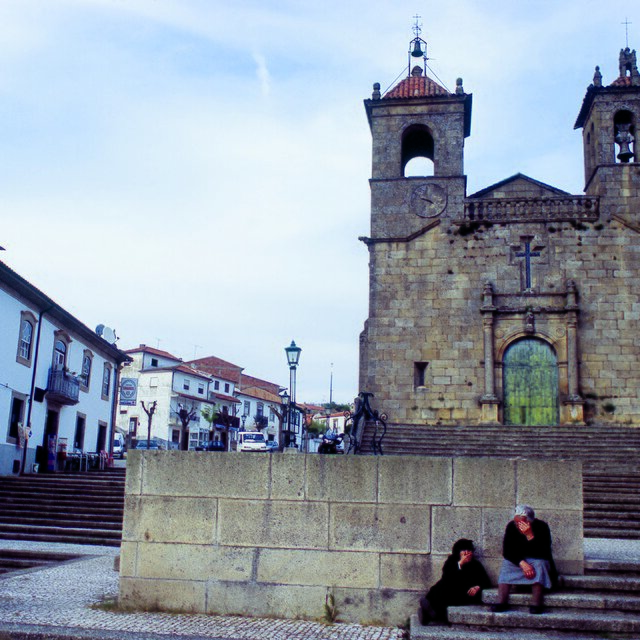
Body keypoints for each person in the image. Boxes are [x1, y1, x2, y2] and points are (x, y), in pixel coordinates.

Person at [491, 504, 557, 615]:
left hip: (537, 560)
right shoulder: (511, 526)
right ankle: (502, 601)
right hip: (520, 561)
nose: (517, 525)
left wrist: (530, 535)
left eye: (520, 522)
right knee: (507, 564)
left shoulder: (542, 526)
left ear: (530, 521)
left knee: (540, 565)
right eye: (516, 522)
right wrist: (522, 563)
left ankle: (536, 603)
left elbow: (544, 552)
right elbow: (507, 551)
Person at [419, 538, 491, 624]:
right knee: (441, 588)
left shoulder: (476, 564)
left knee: (445, 597)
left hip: (465, 593)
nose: (467, 553)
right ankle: (429, 609)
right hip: (450, 589)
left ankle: (428, 614)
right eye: (464, 550)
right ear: (458, 552)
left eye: (469, 550)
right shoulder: (451, 561)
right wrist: (460, 564)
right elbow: (447, 577)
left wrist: (477, 587)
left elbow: (486, 581)